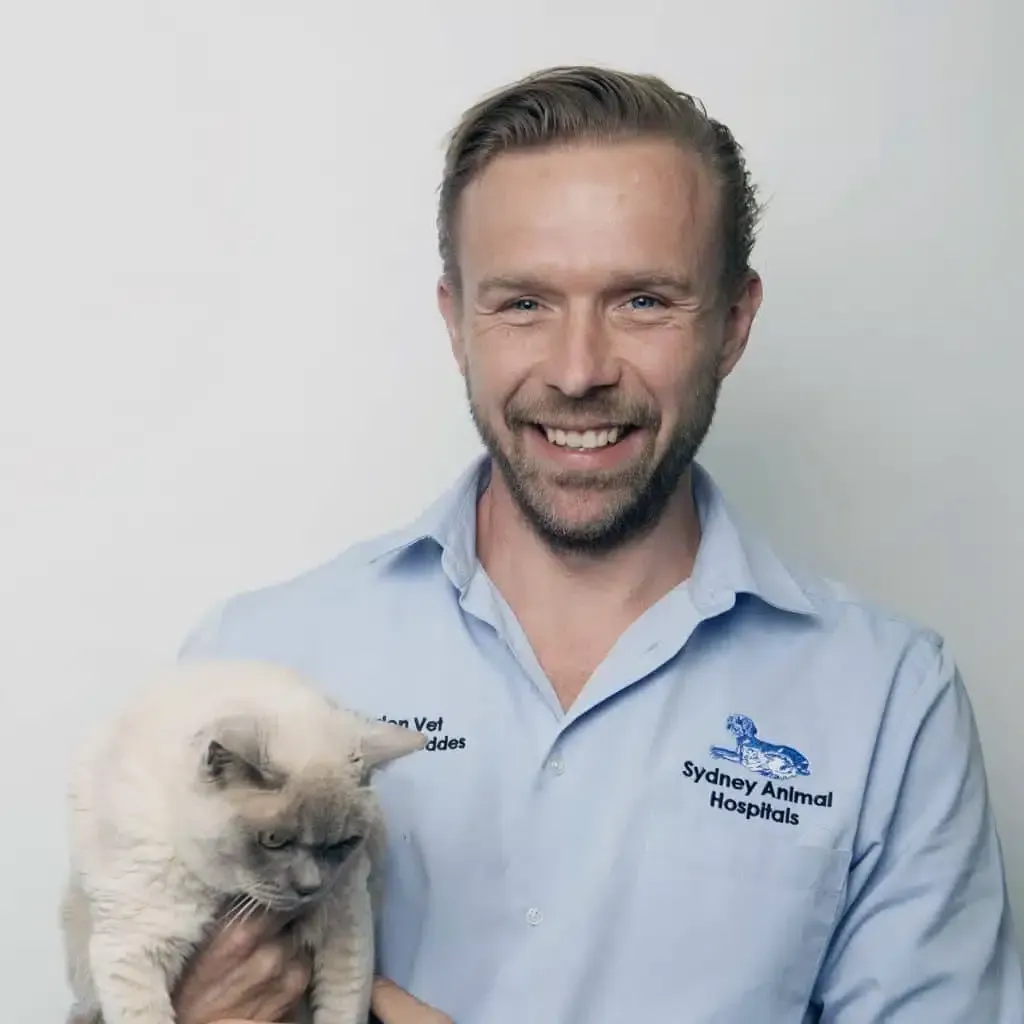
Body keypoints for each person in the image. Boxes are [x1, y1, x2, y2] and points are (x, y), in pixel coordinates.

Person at [164, 66, 1022, 1022]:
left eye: (642, 301)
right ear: (456, 322)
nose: (578, 372)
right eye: (523, 303)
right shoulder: (255, 663)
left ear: (733, 323)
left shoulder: (888, 702)